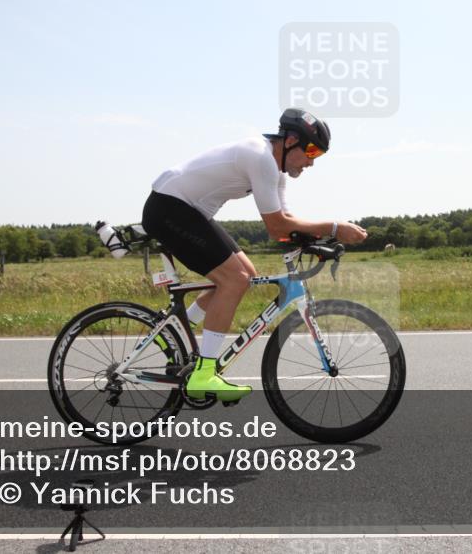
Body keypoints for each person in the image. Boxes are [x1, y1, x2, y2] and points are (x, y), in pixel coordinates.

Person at [141, 109, 368, 402]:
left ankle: (173, 330)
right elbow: (277, 225)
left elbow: (283, 227)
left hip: (187, 211)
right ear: (291, 140)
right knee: (233, 280)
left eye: (319, 155)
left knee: (244, 277)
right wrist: (335, 228)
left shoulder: (275, 172)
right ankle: (204, 374)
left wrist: (318, 239)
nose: (312, 161)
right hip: (170, 207)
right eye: (311, 150)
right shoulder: (260, 157)